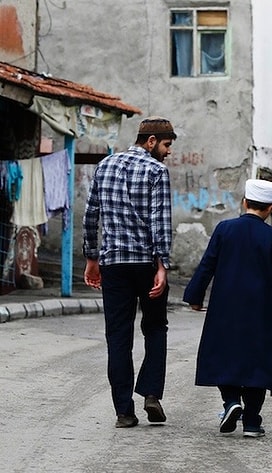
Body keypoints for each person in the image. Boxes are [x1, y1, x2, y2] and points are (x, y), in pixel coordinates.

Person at [82, 116, 176, 428]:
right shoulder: (156, 170)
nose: (168, 152)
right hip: (146, 265)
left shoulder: (105, 165)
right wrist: (162, 266)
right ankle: (150, 392)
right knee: (155, 327)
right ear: (151, 141)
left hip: (113, 265)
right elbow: (160, 221)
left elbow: (91, 213)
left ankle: (124, 411)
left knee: (118, 336)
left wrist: (92, 257)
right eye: (166, 145)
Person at [183, 179, 272, 438]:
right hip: (261, 309)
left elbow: (207, 264)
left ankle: (231, 402)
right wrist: (269, 288)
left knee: (225, 355)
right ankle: (252, 422)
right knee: (258, 360)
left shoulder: (224, 229)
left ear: (244, 202)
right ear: (271, 208)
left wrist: (195, 296)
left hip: (225, 306)